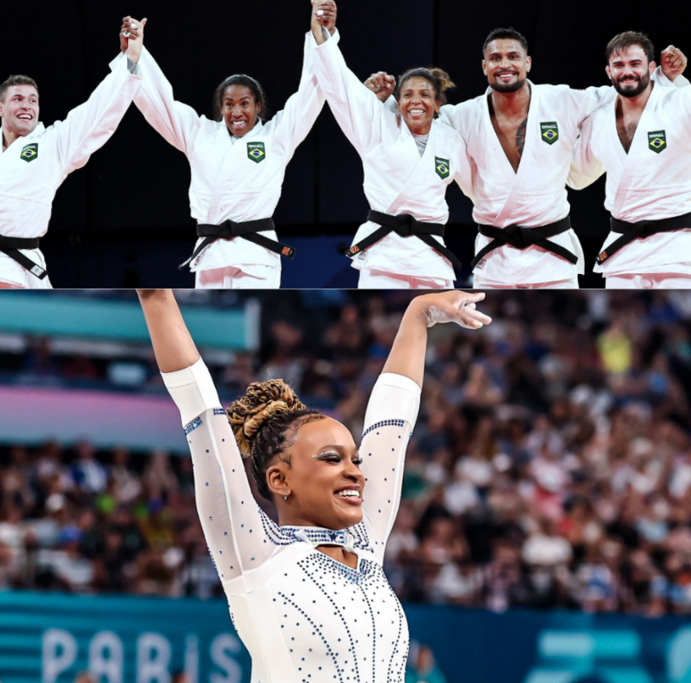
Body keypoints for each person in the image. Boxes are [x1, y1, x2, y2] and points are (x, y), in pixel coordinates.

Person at [139, 289, 490, 681]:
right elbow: (201, 409)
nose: (357, 473)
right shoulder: (256, 554)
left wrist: (418, 314)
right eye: (332, 459)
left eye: (355, 459)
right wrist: (155, 296)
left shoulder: (365, 542)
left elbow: (392, 423)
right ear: (280, 479)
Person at [366, 28, 687, 288]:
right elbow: (416, 122)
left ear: (528, 63)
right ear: (484, 66)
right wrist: (380, 103)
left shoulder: (562, 100)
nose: (504, 64)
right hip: (495, 259)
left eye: (513, 56)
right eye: (495, 58)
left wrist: (666, 78)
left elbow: (626, 93)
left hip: (554, 256)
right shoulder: (461, 116)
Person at [0, 18, 144, 288]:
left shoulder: (54, 144)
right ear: (0, 109)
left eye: (33, 100)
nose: (27, 106)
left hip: (19, 267)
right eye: (18, 99)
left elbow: (98, 112)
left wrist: (131, 59)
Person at [129, 6, 328, 289]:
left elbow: (309, 95)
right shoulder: (200, 134)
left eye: (244, 103)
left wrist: (321, 36)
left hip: (255, 256)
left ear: (258, 107)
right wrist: (134, 56)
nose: (236, 112)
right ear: (220, 108)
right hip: (210, 255)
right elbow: (160, 105)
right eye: (229, 104)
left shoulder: (277, 136)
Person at [569, 29, 691, 289]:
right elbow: (576, 175)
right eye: (619, 65)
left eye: (635, 63)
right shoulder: (598, 121)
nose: (627, 71)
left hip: (678, 252)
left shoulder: (683, 103)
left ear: (651, 68)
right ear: (609, 71)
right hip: (623, 254)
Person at [309, 3, 472, 288]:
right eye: (407, 94)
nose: (416, 101)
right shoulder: (378, 127)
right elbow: (341, 86)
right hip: (383, 256)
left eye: (425, 95)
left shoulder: (452, 140)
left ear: (437, 104)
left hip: (431, 258)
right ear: (398, 101)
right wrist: (323, 35)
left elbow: (480, 188)